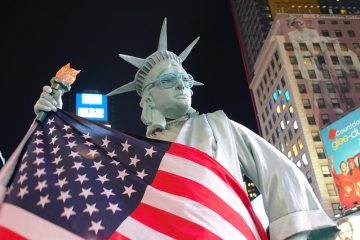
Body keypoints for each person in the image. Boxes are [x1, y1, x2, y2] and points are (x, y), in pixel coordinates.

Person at [34, 18, 337, 240]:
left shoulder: (220, 127)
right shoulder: (135, 153)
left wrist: (294, 231)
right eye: (169, 81)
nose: (182, 85)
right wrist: (50, 117)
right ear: (148, 96)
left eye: (186, 79)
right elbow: (81, 180)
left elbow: (279, 172)